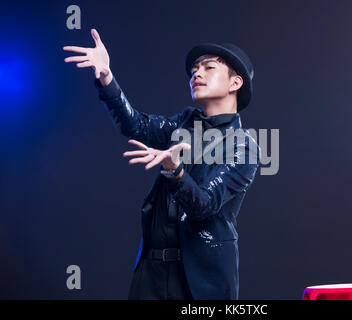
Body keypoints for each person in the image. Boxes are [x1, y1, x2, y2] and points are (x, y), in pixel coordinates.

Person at [63, 28, 259, 300]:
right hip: (150, 274)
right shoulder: (183, 122)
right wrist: (107, 77)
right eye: (194, 69)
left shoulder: (243, 145)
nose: (196, 74)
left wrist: (174, 170)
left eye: (208, 67)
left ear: (234, 83)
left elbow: (204, 204)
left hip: (201, 282)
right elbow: (136, 125)